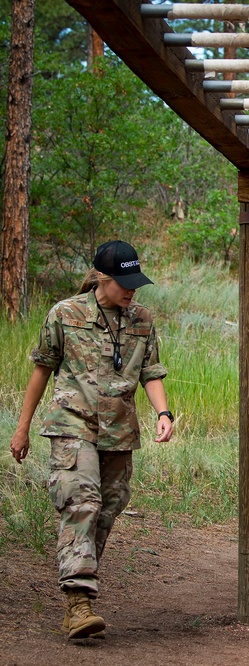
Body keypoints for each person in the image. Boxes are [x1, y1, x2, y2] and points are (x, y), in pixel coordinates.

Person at [9, 240, 174, 640]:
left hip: (119, 431)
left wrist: (163, 413)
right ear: (103, 277)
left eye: (136, 282)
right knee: (82, 502)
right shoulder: (65, 314)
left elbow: (150, 371)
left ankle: (76, 600)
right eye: (124, 282)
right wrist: (22, 426)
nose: (132, 289)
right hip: (72, 423)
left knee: (106, 509)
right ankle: (79, 603)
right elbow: (42, 368)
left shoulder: (142, 319)